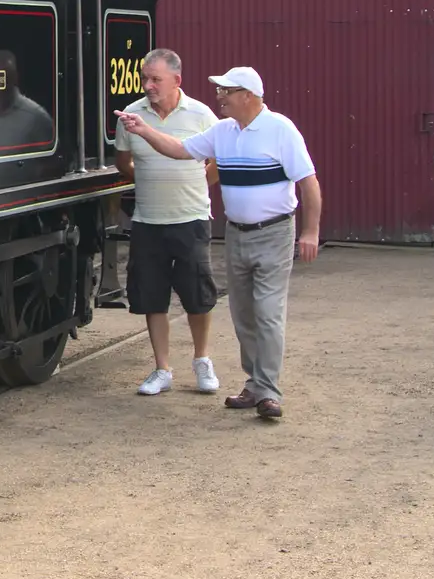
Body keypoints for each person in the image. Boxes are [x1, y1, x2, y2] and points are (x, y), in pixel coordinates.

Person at [115, 66, 320, 420]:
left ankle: (268, 391)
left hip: (274, 233)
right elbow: (179, 150)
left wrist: (311, 233)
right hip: (237, 234)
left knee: (267, 313)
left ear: (248, 96)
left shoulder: (280, 129)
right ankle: (254, 385)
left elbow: (309, 184)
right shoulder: (222, 131)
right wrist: (145, 130)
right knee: (242, 315)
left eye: (226, 91)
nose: (219, 96)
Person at [114, 49, 221, 396]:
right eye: (145, 78)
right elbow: (123, 161)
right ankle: (162, 369)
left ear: (177, 80)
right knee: (152, 296)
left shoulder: (202, 115)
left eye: (155, 79)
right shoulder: (130, 115)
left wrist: (199, 183)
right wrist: (146, 180)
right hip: (148, 220)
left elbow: (221, 158)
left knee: (197, 295)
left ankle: (202, 360)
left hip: (190, 219)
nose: (148, 85)